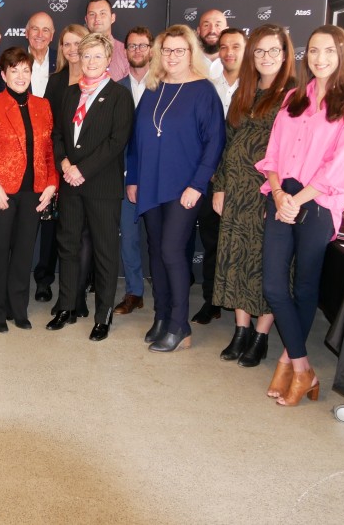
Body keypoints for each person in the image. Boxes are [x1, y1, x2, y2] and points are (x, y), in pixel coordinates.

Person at [257, 25, 344, 406]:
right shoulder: (294, 98)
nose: (321, 59)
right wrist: (278, 193)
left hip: (318, 204)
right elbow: (272, 154)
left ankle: (289, 362)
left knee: (305, 287)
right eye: (315, 51)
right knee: (274, 285)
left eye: (330, 51)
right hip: (281, 197)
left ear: (343, 56)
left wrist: (298, 200)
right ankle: (304, 368)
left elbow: (341, 167)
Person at [126, 24, 225, 352]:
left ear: (191, 53)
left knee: (171, 250)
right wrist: (133, 179)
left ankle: (180, 326)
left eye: (179, 50)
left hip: (184, 186)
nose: (171, 56)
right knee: (156, 251)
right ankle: (162, 316)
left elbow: (215, 143)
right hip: (150, 184)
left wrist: (198, 185)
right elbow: (138, 138)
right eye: (166, 50)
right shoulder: (153, 87)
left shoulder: (203, 91)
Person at [212, 24, 295, 367]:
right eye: (259, 51)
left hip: (269, 192)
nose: (266, 57)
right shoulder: (244, 91)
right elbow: (228, 143)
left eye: (273, 50)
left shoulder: (294, 95)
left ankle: (261, 335)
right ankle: (241, 330)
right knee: (235, 259)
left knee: (266, 266)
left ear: (286, 54)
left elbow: (293, 152)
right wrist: (219, 186)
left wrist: (274, 196)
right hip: (236, 190)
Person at [47, 33, 134, 341]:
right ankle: (67, 306)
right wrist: (65, 165)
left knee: (104, 251)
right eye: (86, 56)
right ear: (78, 59)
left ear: (108, 59)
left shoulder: (120, 96)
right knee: (68, 245)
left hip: (102, 186)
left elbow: (116, 142)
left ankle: (103, 315)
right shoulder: (70, 94)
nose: (91, 62)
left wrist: (82, 169)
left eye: (97, 56)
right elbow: (57, 135)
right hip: (70, 184)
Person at [0, 47, 58, 333]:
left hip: (33, 192)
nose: (21, 76)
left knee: (23, 253)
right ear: (3, 74)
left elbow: (49, 152)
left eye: (26, 70)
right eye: (14, 70)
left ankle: (17, 308)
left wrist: (51, 184)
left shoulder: (42, 106)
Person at [192, 27, 247, 325]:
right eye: (224, 47)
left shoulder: (255, 88)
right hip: (211, 178)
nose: (229, 52)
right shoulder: (207, 86)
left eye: (236, 46)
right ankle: (211, 301)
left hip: (245, 183)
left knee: (243, 247)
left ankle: (244, 306)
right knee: (212, 243)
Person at [40, 23, 90, 313]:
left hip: (85, 168)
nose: (72, 49)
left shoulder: (95, 79)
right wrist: (59, 162)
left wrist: (79, 165)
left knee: (81, 232)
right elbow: (49, 127)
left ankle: (78, 291)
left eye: (78, 43)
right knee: (52, 229)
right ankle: (45, 280)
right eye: (67, 44)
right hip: (58, 163)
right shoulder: (56, 81)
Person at [114, 26, 153, 316]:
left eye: (143, 45)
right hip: (127, 177)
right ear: (125, 52)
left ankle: (165, 293)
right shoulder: (116, 89)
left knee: (163, 240)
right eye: (132, 46)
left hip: (162, 177)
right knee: (129, 237)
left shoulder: (165, 86)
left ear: (151, 49)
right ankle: (134, 291)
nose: (138, 50)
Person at [84, 0, 129, 81]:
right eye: (92, 14)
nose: (97, 18)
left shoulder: (125, 52)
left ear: (113, 18)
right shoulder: (78, 51)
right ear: (86, 20)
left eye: (102, 13)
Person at [24, 11, 57, 97]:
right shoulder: (15, 60)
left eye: (45, 30)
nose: (40, 35)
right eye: (35, 29)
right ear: (26, 33)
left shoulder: (61, 61)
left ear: (52, 36)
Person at [196, 9, 227, 79]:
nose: (212, 30)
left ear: (226, 30)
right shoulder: (188, 61)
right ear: (198, 30)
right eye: (206, 25)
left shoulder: (238, 62)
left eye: (217, 25)